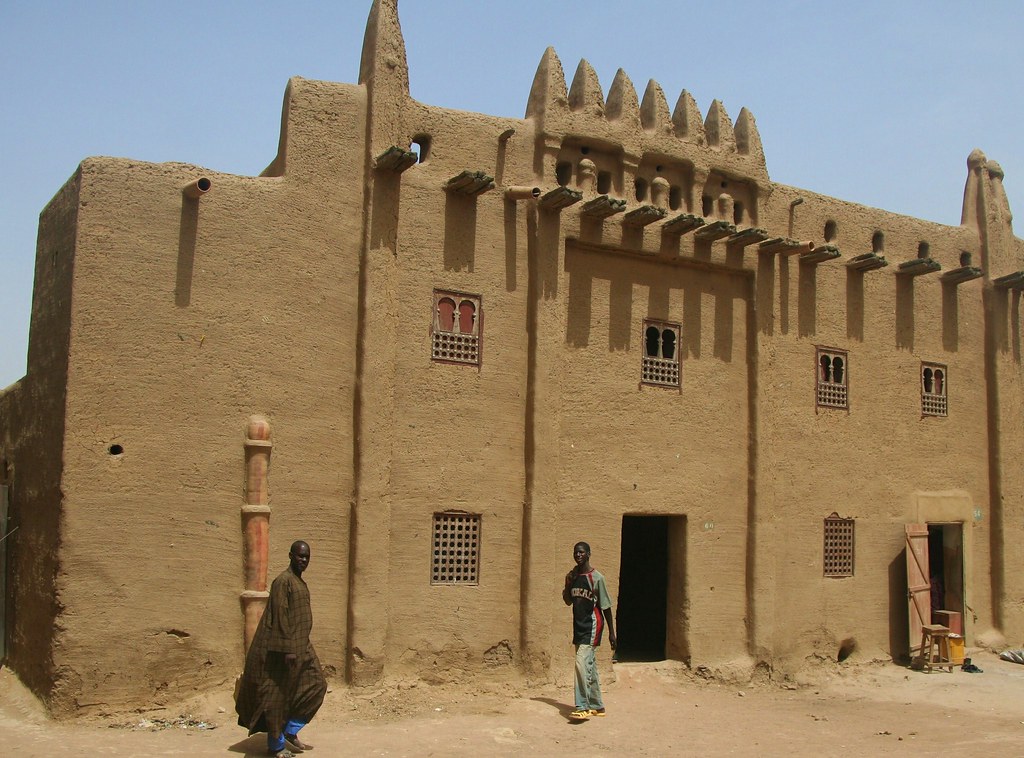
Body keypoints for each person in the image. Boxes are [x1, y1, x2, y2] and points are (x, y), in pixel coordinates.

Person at [236, 540, 327, 757]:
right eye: (300, 556)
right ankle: (275, 745)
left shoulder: (299, 582)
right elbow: (279, 617)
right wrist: (287, 650)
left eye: (307, 557)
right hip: (283, 651)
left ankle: (289, 731)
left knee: (316, 684)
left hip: (302, 646)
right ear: (290, 556)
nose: (303, 560)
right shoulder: (283, 582)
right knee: (277, 696)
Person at [562, 541, 616, 721]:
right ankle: (597, 705)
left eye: (581, 552)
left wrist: (612, 633)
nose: (578, 555)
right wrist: (568, 584)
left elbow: (606, 607)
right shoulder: (573, 576)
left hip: (593, 626)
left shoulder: (596, 578)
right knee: (589, 666)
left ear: (588, 554)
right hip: (579, 626)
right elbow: (568, 601)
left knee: (580, 664)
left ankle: (582, 706)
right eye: (576, 552)